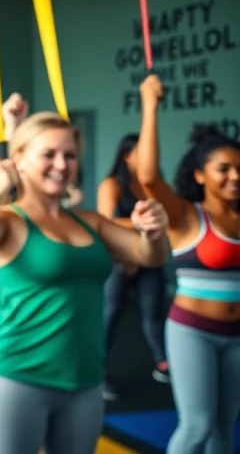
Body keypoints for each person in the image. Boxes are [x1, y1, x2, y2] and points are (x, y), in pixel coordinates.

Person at [0, 93, 170, 454]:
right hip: (16, 377)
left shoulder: (91, 221)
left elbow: (149, 256)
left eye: (70, 155)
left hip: (85, 382)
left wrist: (154, 231)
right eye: (48, 154)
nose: (61, 165)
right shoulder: (8, 221)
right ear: (20, 160)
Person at [135, 74, 240, 454]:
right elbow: (147, 177)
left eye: (239, 168)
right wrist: (150, 104)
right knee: (196, 426)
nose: (234, 176)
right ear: (200, 174)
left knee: (225, 427)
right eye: (224, 168)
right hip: (193, 332)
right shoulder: (187, 216)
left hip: (236, 336)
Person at [98, 132, 169, 402]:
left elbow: (164, 222)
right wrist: (140, 224)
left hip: (148, 257)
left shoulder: (151, 186)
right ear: (127, 156)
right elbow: (106, 222)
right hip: (119, 258)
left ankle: (164, 363)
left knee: (153, 311)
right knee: (111, 313)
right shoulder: (112, 184)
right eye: (142, 152)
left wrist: (147, 229)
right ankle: (97, 371)